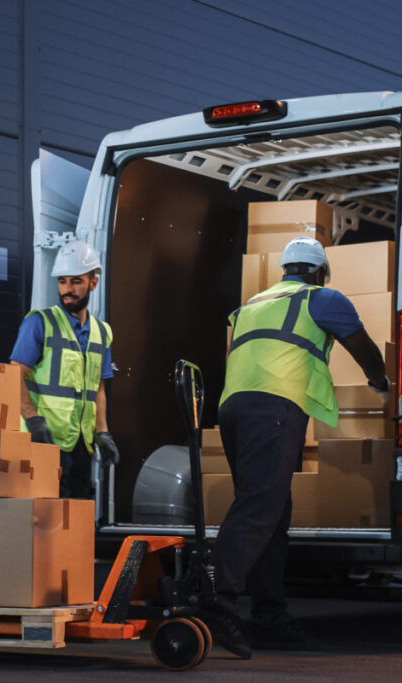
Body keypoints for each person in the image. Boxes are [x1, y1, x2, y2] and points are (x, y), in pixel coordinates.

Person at [208, 236, 390, 659]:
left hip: (234, 407)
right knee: (259, 507)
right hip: (273, 408)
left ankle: (270, 618)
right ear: (318, 271)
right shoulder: (323, 298)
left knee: (273, 513)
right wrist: (381, 383)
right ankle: (218, 602)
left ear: (285, 270)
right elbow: (363, 349)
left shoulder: (252, 304)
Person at [9, 237, 119, 498]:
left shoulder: (102, 333)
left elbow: (98, 388)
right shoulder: (39, 323)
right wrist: (33, 419)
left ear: (93, 282)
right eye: (62, 281)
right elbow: (14, 375)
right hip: (44, 440)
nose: (67, 289)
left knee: (76, 517)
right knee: (48, 518)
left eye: (76, 281)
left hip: (80, 444)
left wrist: (102, 433)